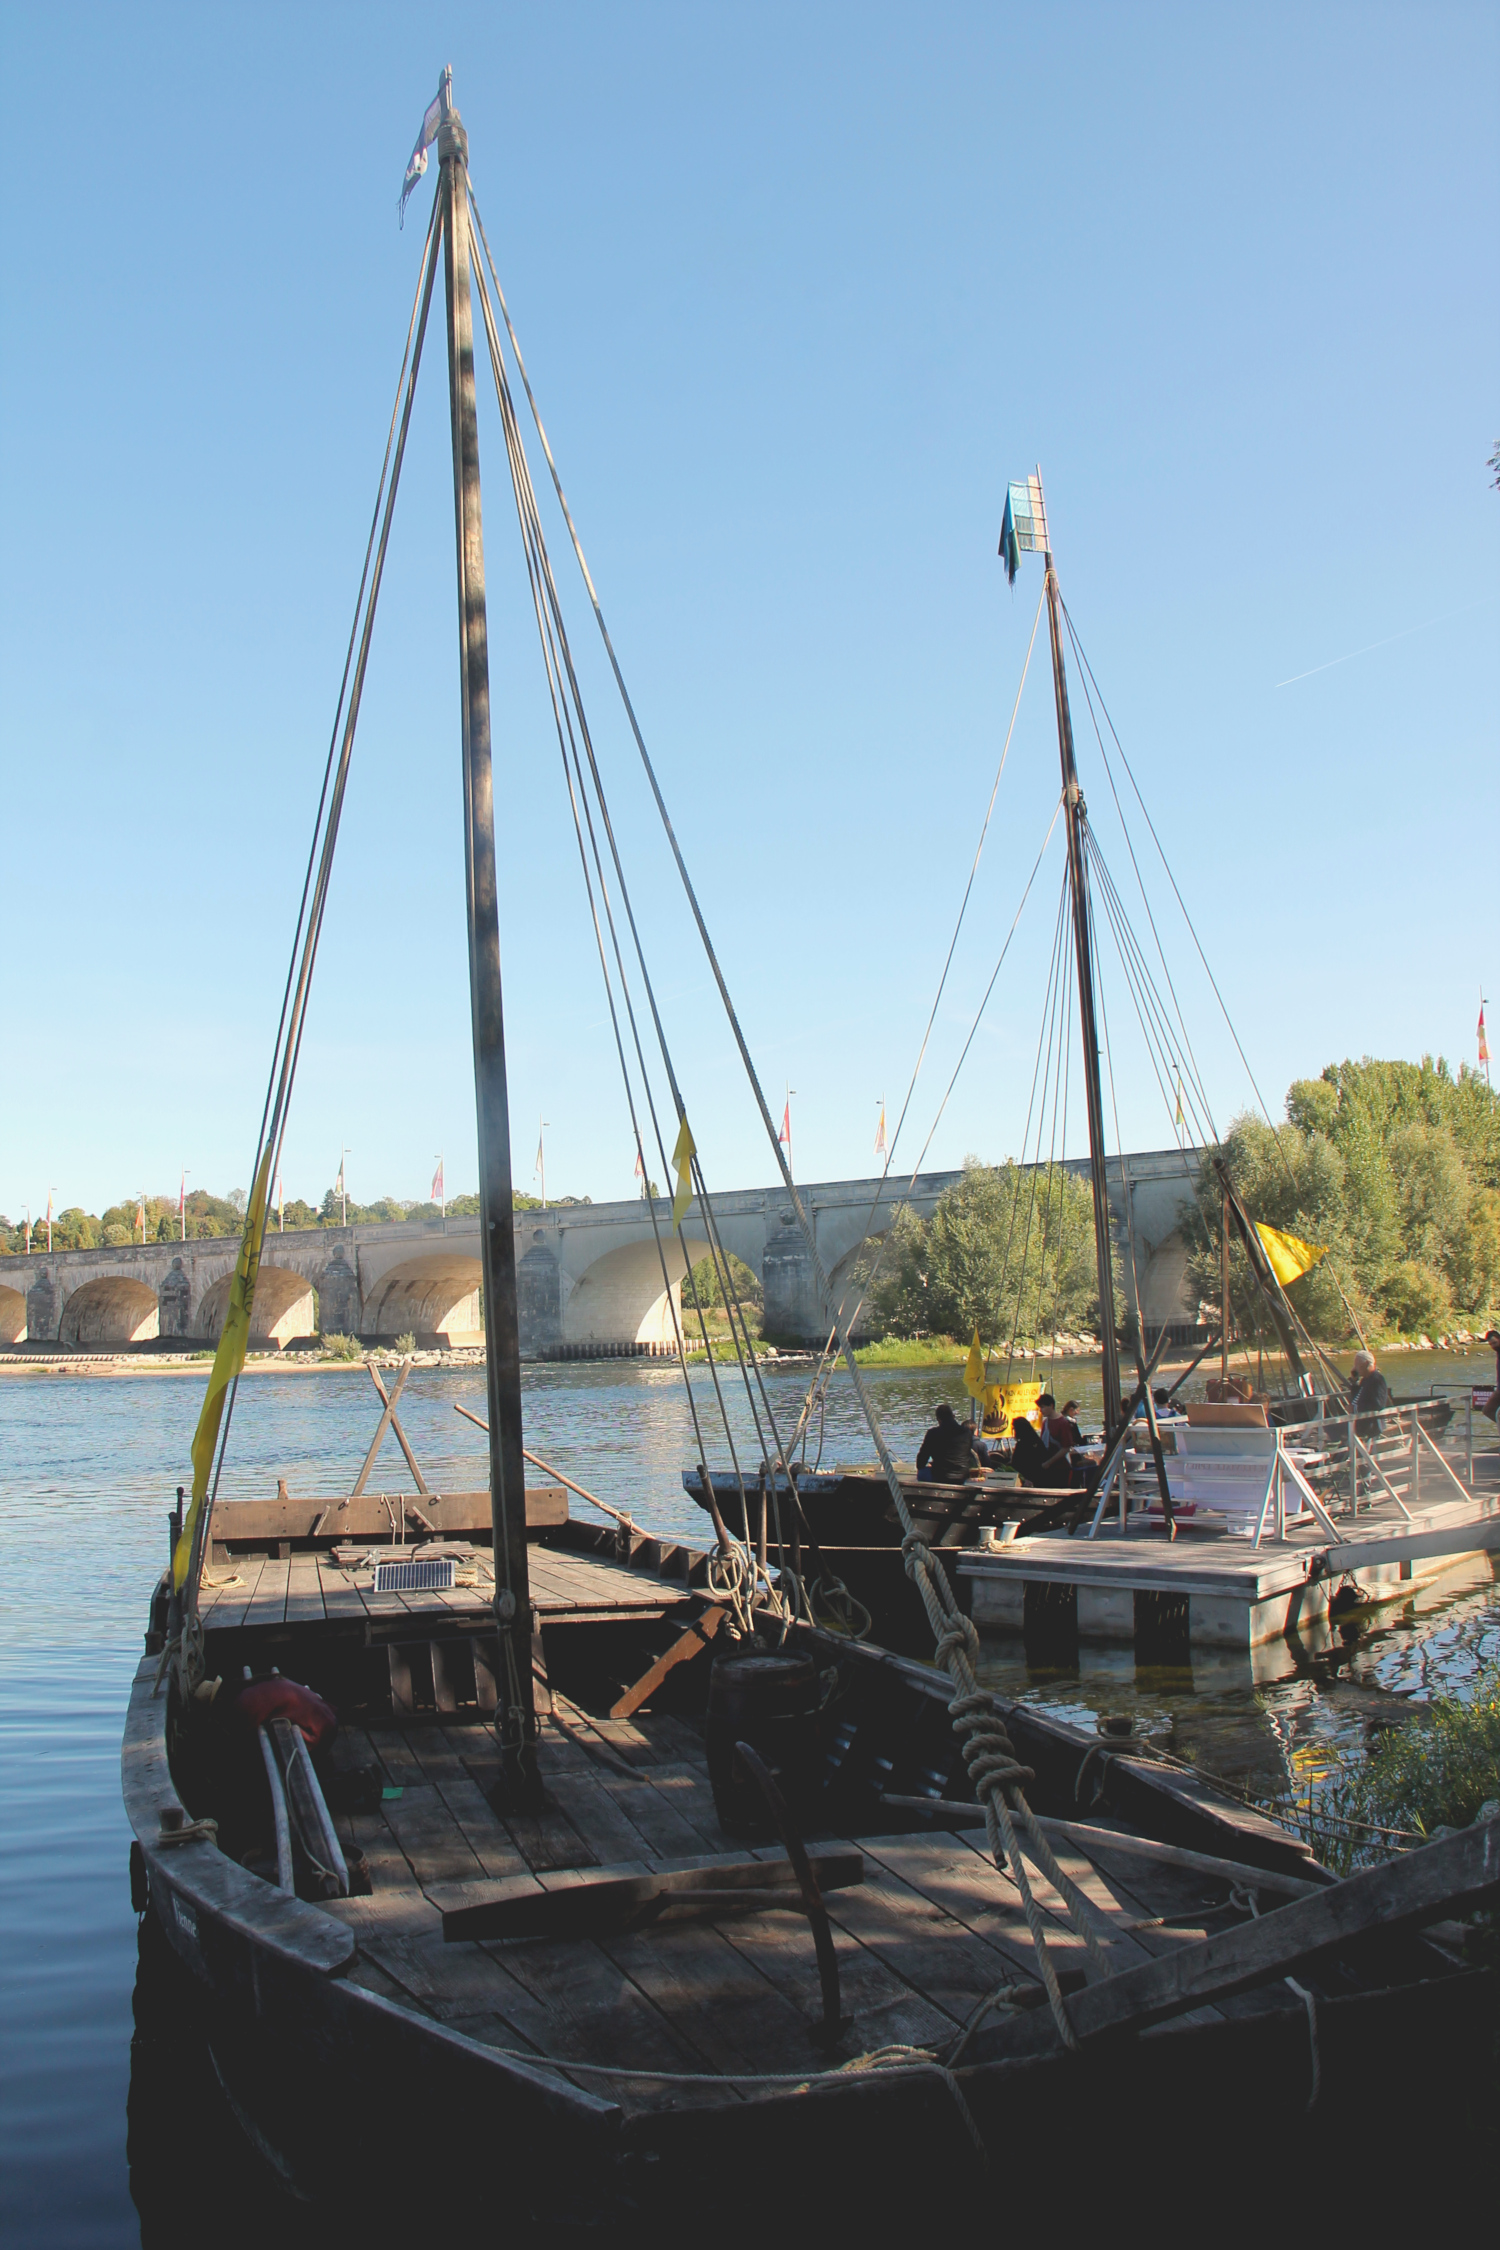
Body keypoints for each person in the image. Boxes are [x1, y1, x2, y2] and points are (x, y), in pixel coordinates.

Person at [916, 1400, 978, 1484]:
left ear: (938, 1419)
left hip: (940, 1476)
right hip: (962, 1476)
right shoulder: (966, 1433)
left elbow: (920, 1463)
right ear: (953, 1416)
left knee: (921, 1473)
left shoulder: (932, 1433)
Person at [1348, 1349, 1391, 1417]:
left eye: (1357, 1365)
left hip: (1371, 1423)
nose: (1355, 1368)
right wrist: (1354, 1382)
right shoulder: (1365, 1380)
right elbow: (1357, 1399)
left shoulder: (1377, 1380)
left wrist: (1355, 1408)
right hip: (1359, 1421)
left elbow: (1378, 1405)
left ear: (1366, 1364)